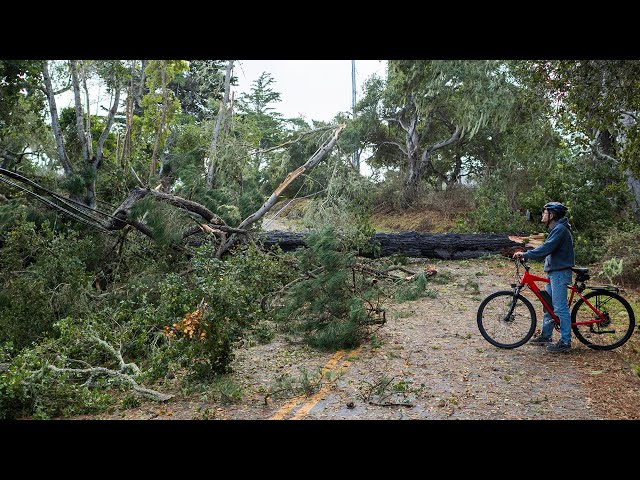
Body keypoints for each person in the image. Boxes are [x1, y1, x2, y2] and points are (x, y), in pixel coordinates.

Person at [513, 201, 575, 352]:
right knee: (549, 305)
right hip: (554, 271)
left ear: (552, 215)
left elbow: (547, 248)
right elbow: (546, 247)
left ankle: (565, 342)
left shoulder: (559, 229)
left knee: (560, 308)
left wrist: (526, 254)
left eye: (545, 212)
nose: (542, 215)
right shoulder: (557, 228)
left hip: (559, 272)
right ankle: (546, 335)